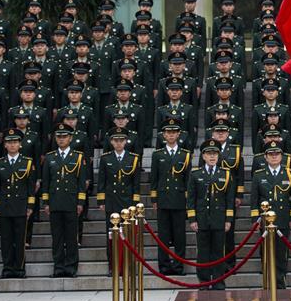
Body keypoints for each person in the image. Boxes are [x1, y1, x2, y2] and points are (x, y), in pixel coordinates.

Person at [42, 123, 88, 278]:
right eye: (59, 137)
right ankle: (59, 266)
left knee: (71, 237)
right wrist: (46, 203)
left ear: (70, 138)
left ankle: (71, 267)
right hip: (55, 202)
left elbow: (81, 183)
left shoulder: (78, 157)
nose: (61, 139)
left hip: (71, 202)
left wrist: (80, 203)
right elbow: (46, 182)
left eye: (64, 137)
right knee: (57, 238)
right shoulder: (50, 157)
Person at [188, 140, 236, 290]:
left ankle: (218, 281)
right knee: (202, 252)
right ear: (203, 156)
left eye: (215, 153)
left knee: (218, 252)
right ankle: (203, 281)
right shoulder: (195, 174)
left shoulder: (225, 174)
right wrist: (192, 219)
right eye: (209, 154)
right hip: (202, 219)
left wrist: (228, 219)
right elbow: (191, 198)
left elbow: (229, 199)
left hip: (219, 219)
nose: (212, 156)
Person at [250, 144, 291, 289]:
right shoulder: (258, 174)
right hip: (265, 220)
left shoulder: (289, 173)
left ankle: (280, 280)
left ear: (281, 156)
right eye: (270, 154)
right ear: (265, 157)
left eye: (277, 154)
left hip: (283, 218)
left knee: (281, 251)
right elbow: (254, 199)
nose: (274, 156)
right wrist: (255, 219)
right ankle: (267, 279)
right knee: (265, 250)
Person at [0, 128, 36, 278]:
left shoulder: (28, 163)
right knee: (6, 240)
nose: (12, 145)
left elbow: (31, 188)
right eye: (9, 142)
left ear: (20, 144)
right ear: (4, 145)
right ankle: (8, 268)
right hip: (5, 206)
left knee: (19, 239)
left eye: (15, 142)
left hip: (21, 206)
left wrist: (30, 206)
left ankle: (19, 268)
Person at [96, 127, 142, 274]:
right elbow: (101, 182)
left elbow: (136, 184)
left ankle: (127, 264)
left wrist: (135, 204)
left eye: (121, 140)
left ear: (126, 141)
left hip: (127, 203)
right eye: (116, 140)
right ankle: (113, 265)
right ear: (111, 142)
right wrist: (101, 201)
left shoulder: (133, 158)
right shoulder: (105, 158)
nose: (119, 143)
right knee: (112, 235)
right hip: (111, 202)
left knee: (128, 235)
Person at [150, 118, 192, 275]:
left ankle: (179, 266)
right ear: (163, 135)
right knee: (163, 236)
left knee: (180, 236)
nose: (171, 135)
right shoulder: (157, 155)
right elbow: (153, 178)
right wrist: (154, 199)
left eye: (174, 132)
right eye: (168, 132)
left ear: (179, 134)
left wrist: (189, 200)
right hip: (163, 198)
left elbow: (188, 180)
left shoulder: (185, 154)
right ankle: (164, 266)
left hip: (180, 199)